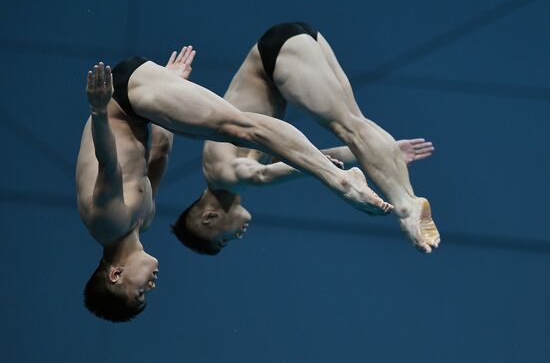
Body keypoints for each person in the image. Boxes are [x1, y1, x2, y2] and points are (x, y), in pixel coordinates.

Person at [77, 44, 391, 321]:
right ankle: (336, 176)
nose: (152, 286)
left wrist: (99, 110)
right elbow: (158, 152)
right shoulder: (141, 221)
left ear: (116, 275)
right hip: (139, 102)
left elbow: (110, 165)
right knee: (241, 128)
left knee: (244, 129)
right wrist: (168, 86)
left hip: (119, 99)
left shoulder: (108, 224)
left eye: (140, 294)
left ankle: (340, 183)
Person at [172, 22, 439, 255]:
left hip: (275, 62)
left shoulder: (222, 176)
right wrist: (376, 152)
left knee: (349, 126)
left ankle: (405, 206)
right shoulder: (223, 172)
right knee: (356, 122)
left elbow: (261, 175)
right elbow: (304, 154)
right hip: (285, 46)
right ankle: (406, 197)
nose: (237, 237)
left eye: (224, 241)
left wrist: (319, 173)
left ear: (209, 217)